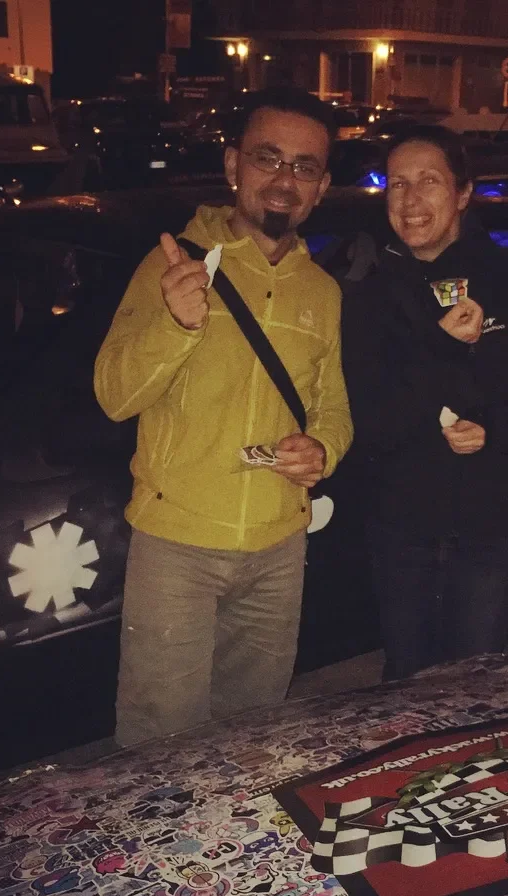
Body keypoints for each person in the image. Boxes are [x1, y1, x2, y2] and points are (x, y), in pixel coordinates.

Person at [94, 88, 353, 745]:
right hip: (178, 545)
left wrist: (321, 447)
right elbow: (113, 395)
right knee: (160, 736)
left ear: (321, 187)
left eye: (304, 166)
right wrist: (178, 325)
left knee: (253, 732)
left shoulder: (321, 291)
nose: (284, 179)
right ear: (234, 165)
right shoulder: (172, 263)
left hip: (278, 548)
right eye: (269, 157)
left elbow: (334, 405)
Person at [343, 126, 508, 680]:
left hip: (494, 526)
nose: (409, 201)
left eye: (428, 181)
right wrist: (441, 347)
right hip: (401, 526)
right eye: (397, 184)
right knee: (407, 676)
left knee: (473, 681)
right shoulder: (370, 294)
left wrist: (496, 429)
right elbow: (368, 420)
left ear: (462, 193)